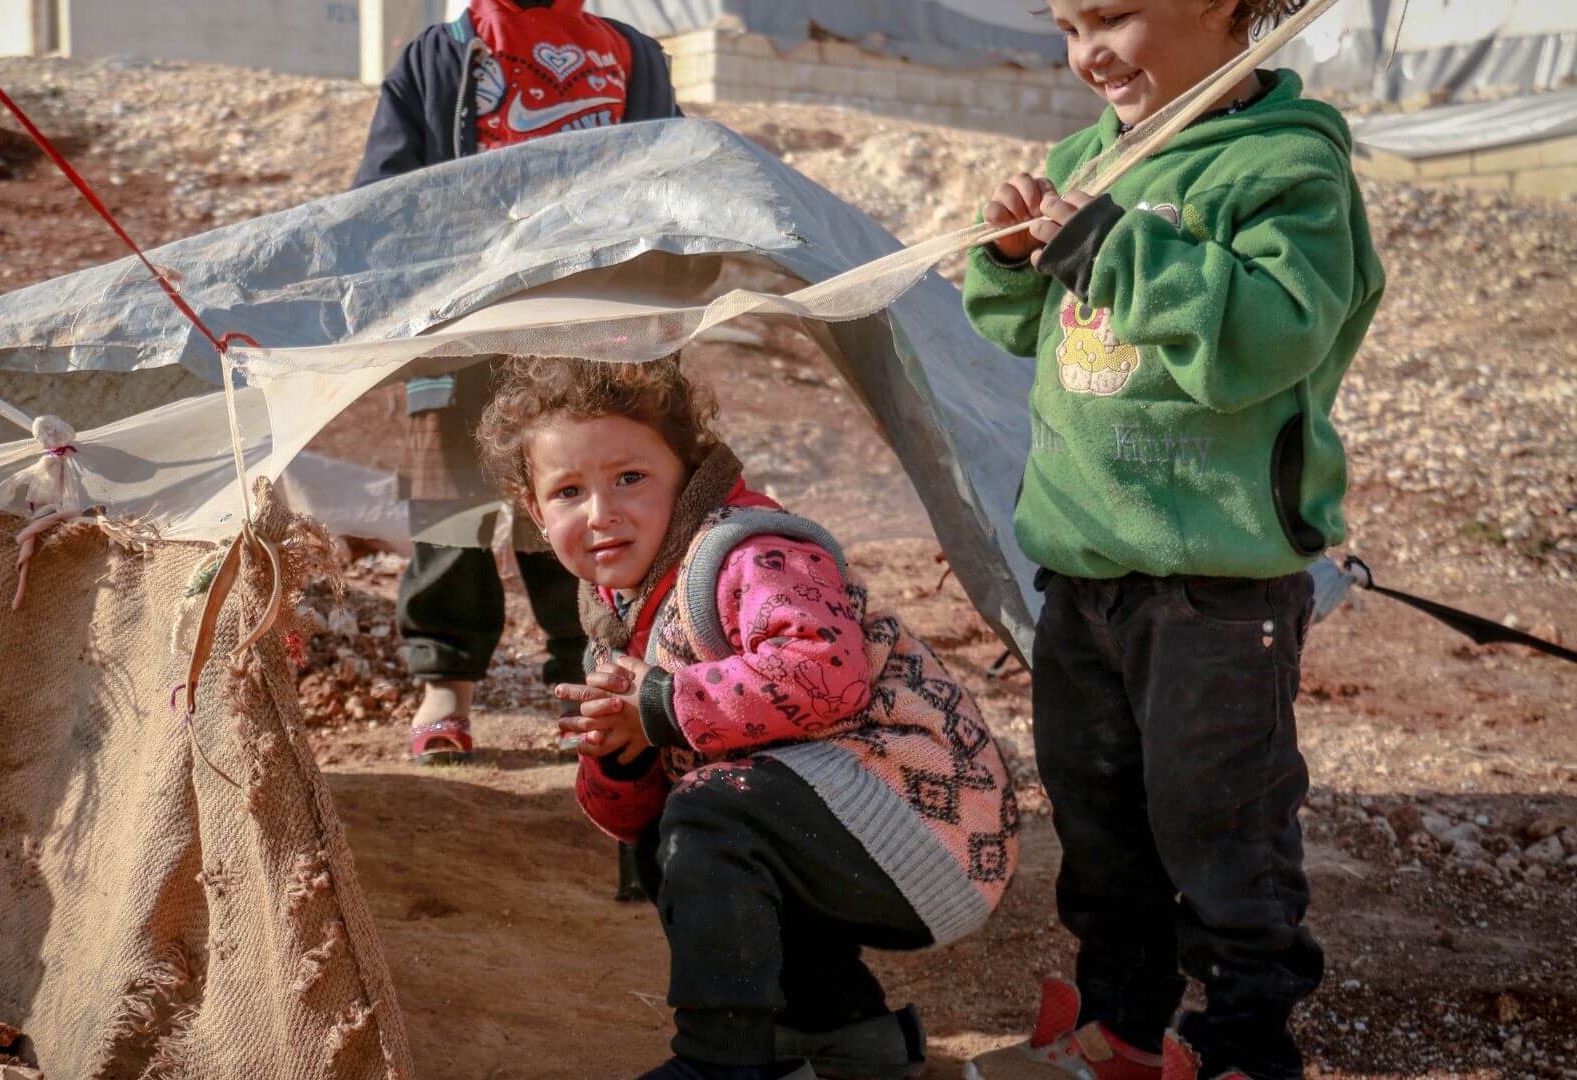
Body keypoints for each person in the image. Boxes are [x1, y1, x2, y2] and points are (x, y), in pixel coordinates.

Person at [958, 2, 1385, 1078]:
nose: (1087, 52)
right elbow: (1019, 326)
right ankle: (1122, 1034)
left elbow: (1265, 338)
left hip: (1217, 587)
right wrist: (1009, 257)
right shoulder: (1085, 161)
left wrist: (1105, 243)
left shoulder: (1289, 167)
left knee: (1220, 827)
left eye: (1112, 15)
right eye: (1067, 26)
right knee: (1101, 827)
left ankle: (1245, 1045)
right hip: (1084, 569)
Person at [475, 355, 1019, 1080]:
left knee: (711, 811)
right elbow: (631, 817)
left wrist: (661, 704)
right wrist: (622, 757)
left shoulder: (748, 554)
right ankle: (841, 1034)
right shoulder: (618, 619)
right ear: (536, 514)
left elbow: (828, 675)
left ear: (687, 473)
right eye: (569, 491)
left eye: (630, 477)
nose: (601, 512)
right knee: (670, 833)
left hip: (929, 834)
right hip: (850, 831)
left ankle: (719, 1064)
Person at [351, 0, 681, 764]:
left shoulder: (631, 57)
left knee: (577, 504)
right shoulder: (438, 59)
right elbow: (382, 194)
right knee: (449, 510)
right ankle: (445, 685)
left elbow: (670, 185)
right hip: (461, 327)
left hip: (584, 332)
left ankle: (591, 678)